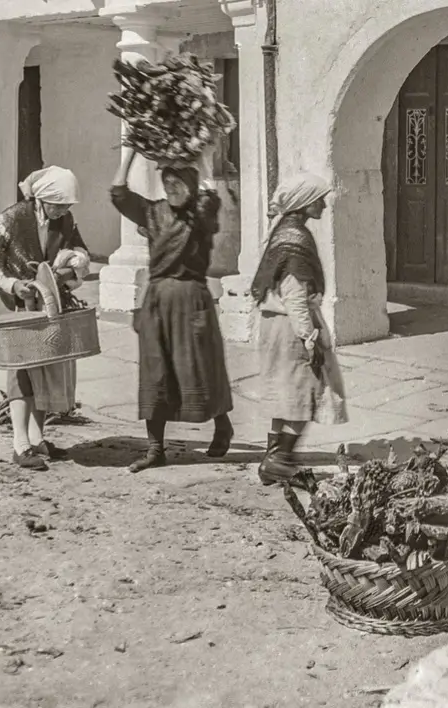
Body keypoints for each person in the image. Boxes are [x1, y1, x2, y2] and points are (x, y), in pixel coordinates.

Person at [110, 146, 233, 473]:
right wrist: (133, 152)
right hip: (157, 302)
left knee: (200, 368)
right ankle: (155, 448)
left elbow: (210, 191)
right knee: (155, 371)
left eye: (179, 182)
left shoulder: (201, 213)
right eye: (168, 183)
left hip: (191, 299)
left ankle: (223, 426)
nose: (173, 188)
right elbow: (119, 193)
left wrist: (203, 152)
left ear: (191, 185)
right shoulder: (152, 213)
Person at [0, 166, 91, 471]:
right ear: (42, 199)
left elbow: (80, 251)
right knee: (21, 369)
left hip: (48, 302)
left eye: (68, 205)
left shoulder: (64, 220)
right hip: (17, 303)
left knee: (45, 367)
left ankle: (37, 438)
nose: (64, 210)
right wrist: (14, 285)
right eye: (59, 204)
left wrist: (72, 262)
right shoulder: (12, 218)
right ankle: (19, 444)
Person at [249, 173, 348, 485]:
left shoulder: (282, 231)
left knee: (286, 396)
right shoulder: (297, 240)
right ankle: (278, 462)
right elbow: (294, 296)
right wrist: (310, 339)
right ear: (305, 203)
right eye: (318, 199)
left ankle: (272, 460)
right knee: (305, 394)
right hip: (291, 327)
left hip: (273, 326)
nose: (323, 205)